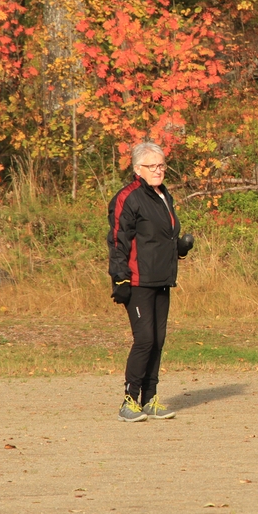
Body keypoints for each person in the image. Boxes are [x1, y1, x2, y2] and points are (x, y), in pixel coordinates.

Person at [107, 142, 194, 422]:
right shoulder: (128, 197)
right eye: (152, 166)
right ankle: (129, 401)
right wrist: (119, 278)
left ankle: (150, 399)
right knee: (144, 340)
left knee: (158, 340)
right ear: (137, 169)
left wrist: (179, 247)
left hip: (162, 278)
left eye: (162, 166)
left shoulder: (163, 194)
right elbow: (119, 239)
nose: (158, 170)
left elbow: (160, 236)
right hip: (137, 280)